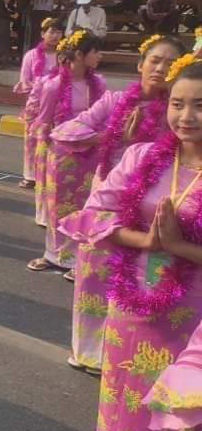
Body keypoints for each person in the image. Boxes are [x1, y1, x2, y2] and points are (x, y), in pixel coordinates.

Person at [58, 56, 202, 431]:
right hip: (131, 314)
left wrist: (179, 248)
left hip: (191, 323)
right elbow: (95, 214)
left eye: (199, 105)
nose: (186, 116)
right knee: (129, 417)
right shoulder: (143, 158)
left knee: (176, 422)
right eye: (178, 104)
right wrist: (146, 239)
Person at [54, 34, 184, 374]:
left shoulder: (179, 116)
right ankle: (88, 351)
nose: (161, 68)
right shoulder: (114, 101)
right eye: (155, 60)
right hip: (106, 200)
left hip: (147, 211)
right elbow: (66, 132)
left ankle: (119, 353)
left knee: (133, 285)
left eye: (170, 63)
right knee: (93, 278)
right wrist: (108, 138)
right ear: (141, 64)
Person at [26, 29, 106, 273]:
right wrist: (46, 155)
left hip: (90, 152)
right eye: (96, 51)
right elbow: (44, 122)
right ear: (80, 55)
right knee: (57, 205)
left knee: (85, 205)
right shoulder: (54, 85)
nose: (100, 55)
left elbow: (104, 117)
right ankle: (55, 254)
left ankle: (78, 257)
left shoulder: (98, 83)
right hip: (62, 154)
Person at [15, 18, 63, 194]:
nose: (55, 36)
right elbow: (24, 81)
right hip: (35, 104)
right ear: (43, 34)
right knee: (31, 141)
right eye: (51, 32)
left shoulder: (64, 55)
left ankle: (47, 173)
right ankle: (30, 176)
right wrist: (42, 86)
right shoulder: (31, 55)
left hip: (57, 105)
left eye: (58, 32)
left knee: (51, 141)